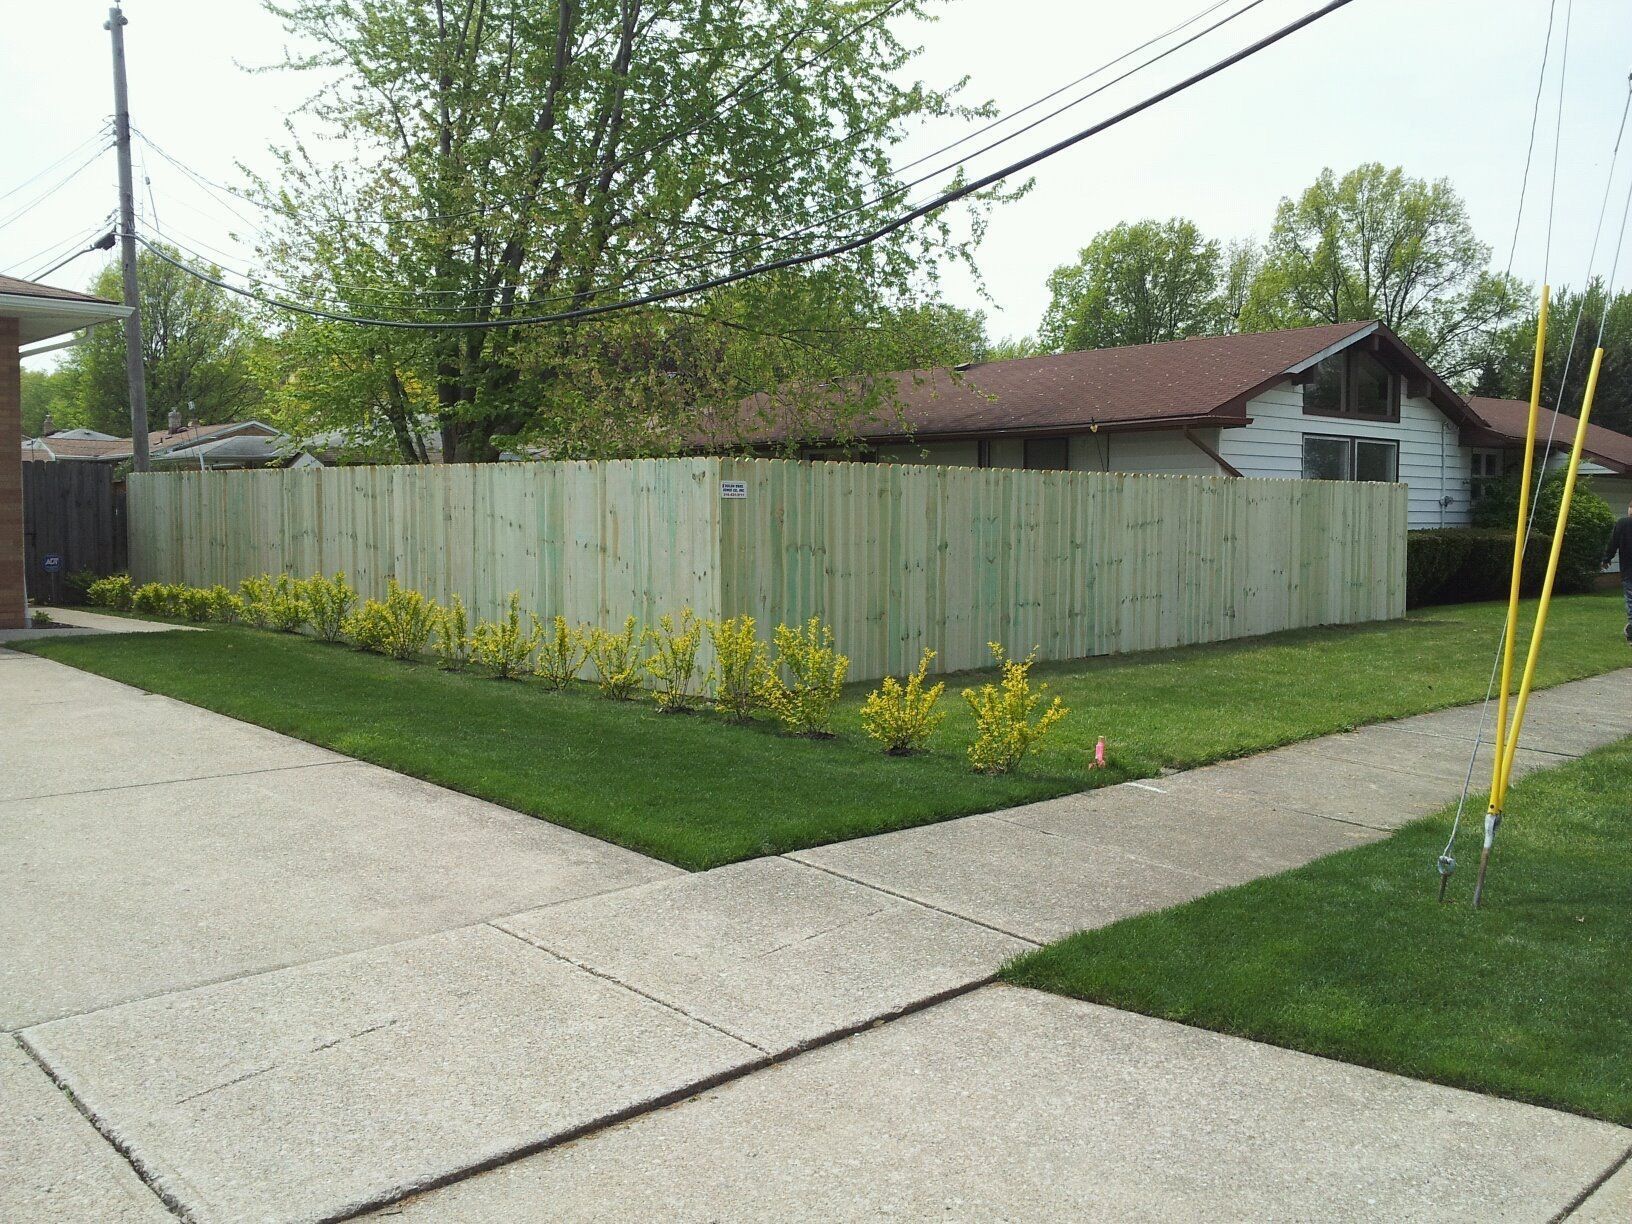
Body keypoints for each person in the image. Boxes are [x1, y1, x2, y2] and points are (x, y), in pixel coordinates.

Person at [1606, 499, 1632, 643]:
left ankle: (1631, 629)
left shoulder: (1623, 523)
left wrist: (1606, 558)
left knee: (1631, 600)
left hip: (1628, 570)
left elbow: (1613, 541)